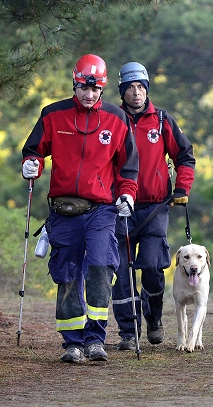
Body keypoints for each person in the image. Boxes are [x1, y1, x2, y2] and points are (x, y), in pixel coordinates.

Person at [21, 54, 139, 364]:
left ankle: (95, 339)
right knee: (67, 273)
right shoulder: (52, 115)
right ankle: (72, 343)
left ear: (102, 90)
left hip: (100, 209)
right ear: (74, 84)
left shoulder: (117, 119)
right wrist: (31, 165)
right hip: (63, 210)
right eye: (83, 89)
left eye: (95, 90)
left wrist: (126, 195)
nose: (88, 95)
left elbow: (128, 167)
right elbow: (33, 151)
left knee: (101, 266)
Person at [111, 61, 195, 351]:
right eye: (130, 88)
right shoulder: (111, 118)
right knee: (120, 270)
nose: (136, 93)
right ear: (122, 91)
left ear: (147, 89)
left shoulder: (162, 120)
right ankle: (127, 331)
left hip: (155, 207)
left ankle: (153, 319)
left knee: (152, 266)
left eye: (141, 87)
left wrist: (182, 187)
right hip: (118, 207)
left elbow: (185, 156)